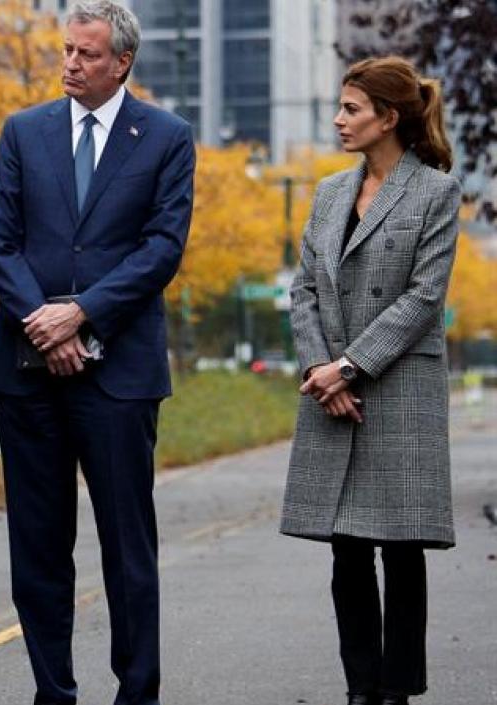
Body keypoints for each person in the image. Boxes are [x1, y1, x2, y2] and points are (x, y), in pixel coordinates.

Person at [0, 2, 194, 703]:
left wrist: (82, 314)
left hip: (119, 376)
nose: (70, 63)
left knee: (128, 549)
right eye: (67, 50)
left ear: (121, 61)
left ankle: (136, 691)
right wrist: (46, 320)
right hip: (27, 374)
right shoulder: (23, 131)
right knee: (38, 549)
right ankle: (54, 691)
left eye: (86, 54)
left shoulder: (166, 137)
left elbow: (161, 249)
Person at [281, 56, 461, 705]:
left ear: (389, 117)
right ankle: (362, 686)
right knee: (347, 547)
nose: (338, 119)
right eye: (340, 106)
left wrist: (349, 366)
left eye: (351, 109)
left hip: (397, 387)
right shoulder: (330, 192)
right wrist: (319, 371)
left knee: (400, 547)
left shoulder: (436, 191)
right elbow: (302, 289)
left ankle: (397, 687)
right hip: (332, 388)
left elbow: (422, 297)